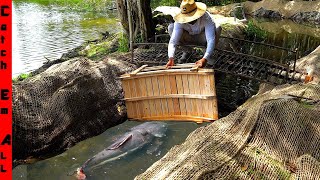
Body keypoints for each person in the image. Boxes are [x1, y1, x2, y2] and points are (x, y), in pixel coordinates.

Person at [166, 0, 222, 68]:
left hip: (203, 38)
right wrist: (171, 58)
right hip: (188, 37)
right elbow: (173, 41)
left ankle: (208, 55)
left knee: (218, 28)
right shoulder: (179, 21)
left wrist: (205, 58)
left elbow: (210, 40)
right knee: (171, 27)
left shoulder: (206, 17)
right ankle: (187, 51)